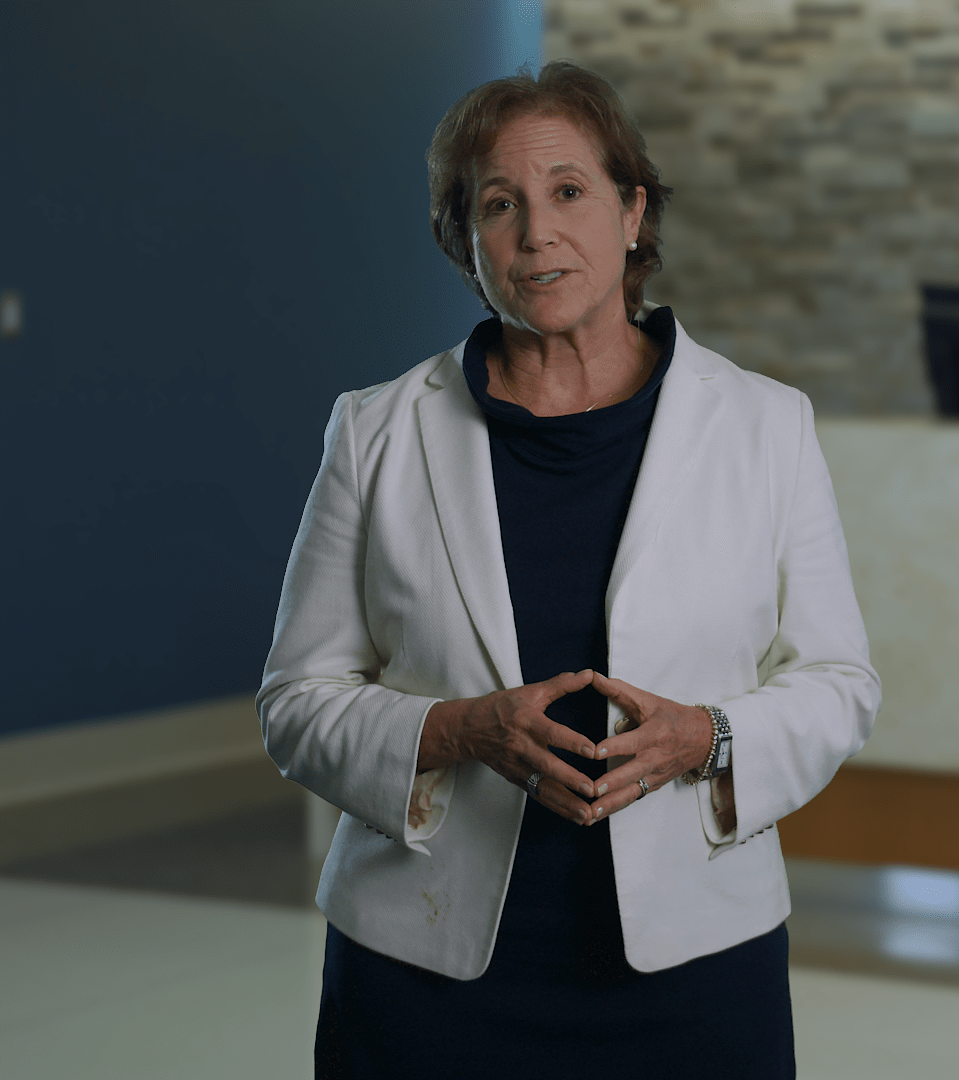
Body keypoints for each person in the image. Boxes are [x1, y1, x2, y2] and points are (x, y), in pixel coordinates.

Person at [258, 61, 880, 1077]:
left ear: (634, 212)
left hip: (693, 970)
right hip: (422, 973)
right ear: (462, 242)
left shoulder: (767, 425)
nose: (537, 234)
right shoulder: (374, 432)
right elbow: (295, 702)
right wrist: (456, 730)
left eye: (569, 193)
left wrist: (710, 738)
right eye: (497, 205)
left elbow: (839, 684)